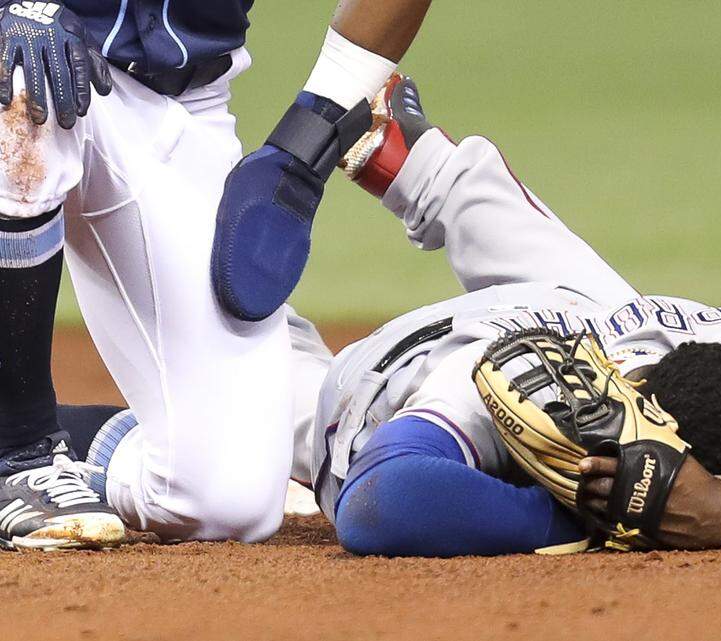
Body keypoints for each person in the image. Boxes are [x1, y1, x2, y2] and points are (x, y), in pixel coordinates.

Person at [231, 74, 721, 555]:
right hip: (386, 378)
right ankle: (136, 425)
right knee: (245, 415)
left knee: (600, 300)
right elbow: (380, 503)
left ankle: (427, 167)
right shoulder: (521, 388)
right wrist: (602, 517)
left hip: (581, 310)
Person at [0, 0, 430, 549]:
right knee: (20, 68)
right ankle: (19, 451)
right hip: (30, 57)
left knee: (227, 504)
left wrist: (312, 129)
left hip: (186, 107)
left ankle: (90, 448)